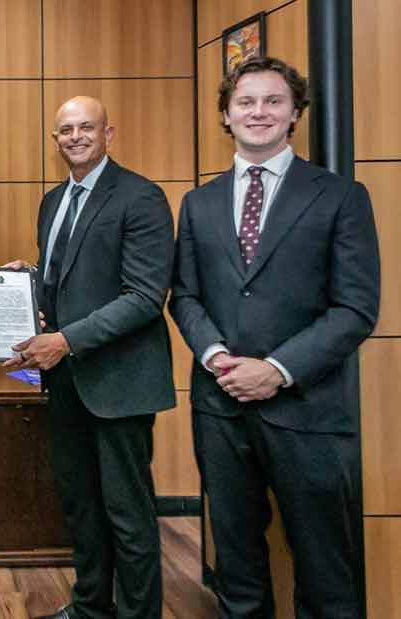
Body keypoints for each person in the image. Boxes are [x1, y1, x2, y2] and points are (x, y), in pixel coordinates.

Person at [169, 56, 379, 618]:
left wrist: (277, 369)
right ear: (226, 114)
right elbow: (184, 296)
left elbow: (356, 309)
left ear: (294, 114)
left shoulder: (340, 196)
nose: (258, 112)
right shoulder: (197, 203)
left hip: (307, 410)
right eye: (245, 102)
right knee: (236, 566)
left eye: (272, 101)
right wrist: (215, 356)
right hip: (220, 407)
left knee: (325, 567)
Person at [4, 96, 176, 619]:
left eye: (85, 128)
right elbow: (66, 282)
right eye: (65, 130)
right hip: (68, 383)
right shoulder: (53, 202)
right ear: (54, 140)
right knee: (81, 508)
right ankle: (91, 607)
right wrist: (24, 286)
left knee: (129, 514)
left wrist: (65, 340)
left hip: (120, 384)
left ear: (108, 133)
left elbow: (144, 297)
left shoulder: (141, 197)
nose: (75, 137)